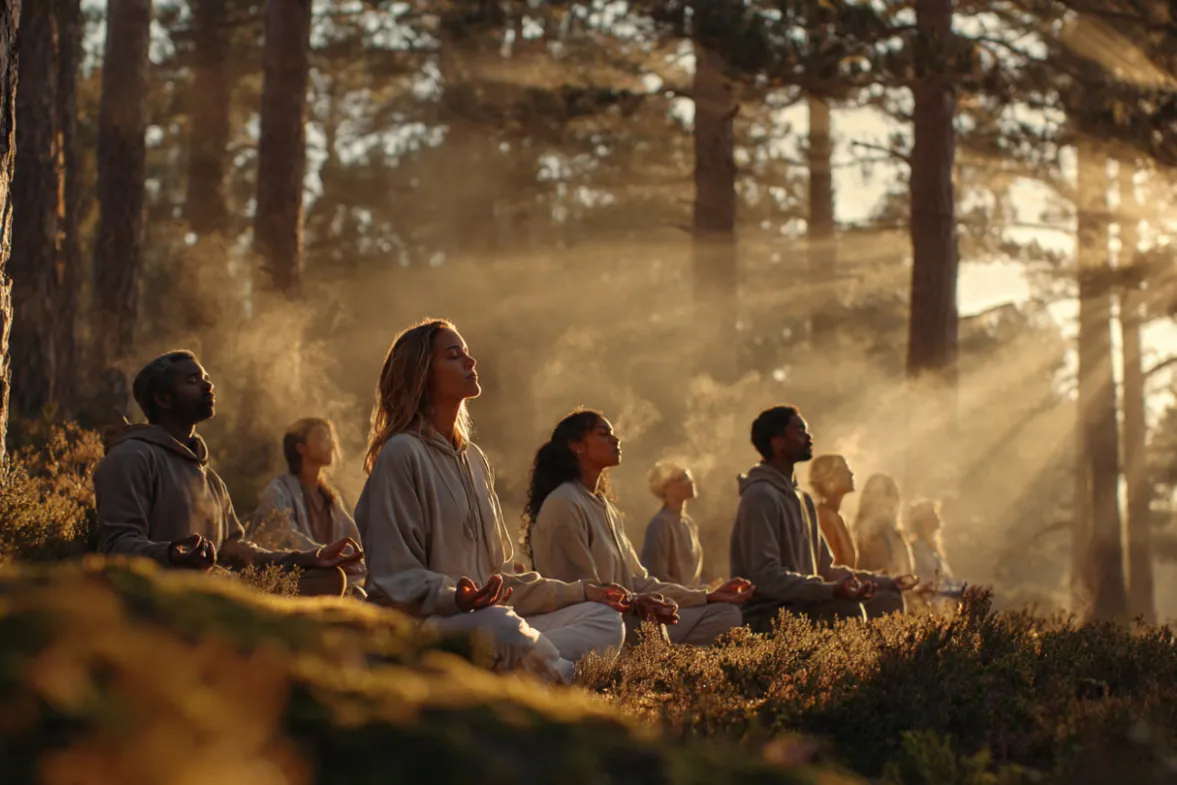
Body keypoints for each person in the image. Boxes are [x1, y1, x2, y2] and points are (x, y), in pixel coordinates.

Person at [353, 319, 628, 684]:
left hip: (489, 618)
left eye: (467, 353)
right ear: (422, 374)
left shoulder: (475, 460)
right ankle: (562, 679)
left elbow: (502, 578)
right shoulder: (402, 453)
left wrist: (581, 591)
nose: (471, 362)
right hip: (422, 628)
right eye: (454, 356)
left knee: (602, 617)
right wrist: (457, 599)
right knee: (500, 627)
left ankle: (521, 663)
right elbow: (393, 578)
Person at [93, 351, 364, 596]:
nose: (208, 385)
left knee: (328, 578)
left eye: (206, 378)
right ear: (163, 398)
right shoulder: (133, 456)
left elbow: (235, 550)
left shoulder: (210, 479)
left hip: (220, 588)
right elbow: (117, 546)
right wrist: (171, 554)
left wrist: (311, 557)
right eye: (192, 380)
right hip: (165, 594)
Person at [523, 410, 753, 647]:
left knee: (725, 612)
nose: (615, 439)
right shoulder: (564, 503)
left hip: (629, 617)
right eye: (603, 434)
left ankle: (673, 666)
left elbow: (640, 582)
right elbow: (582, 593)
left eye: (613, 433)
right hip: (599, 625)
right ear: (577, 445)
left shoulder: (606, 507)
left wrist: (707, 595)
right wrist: (638, 603)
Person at [729, 406, 916, 632]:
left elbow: (825, 569)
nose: (808, 437)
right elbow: (766, 577)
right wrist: (832, 591)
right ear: (777, 443)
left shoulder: (803, 500)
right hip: (769, 614)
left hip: (804, 604)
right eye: (799, 431)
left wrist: (886, 582)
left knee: (887, 599)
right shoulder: (759, 497)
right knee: (848, 609)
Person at [252, 417, 366, 593]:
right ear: (301, 448)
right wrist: (324, 555)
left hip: (334, 576)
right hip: (295, 580)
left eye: (330, 437)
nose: (331, 444)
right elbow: (284, 538)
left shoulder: (331, 498)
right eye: (322, 437)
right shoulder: (277, 491)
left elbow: (355, 538)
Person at [640, 460, 705, 587]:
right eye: (681, 479)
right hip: (673, 601)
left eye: (688, 476)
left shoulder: (689, 524)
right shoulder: (660, 524)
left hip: (693, 598)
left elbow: (693, 577)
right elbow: (656, 575)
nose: (690, 481)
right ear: (665, 488)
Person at [854, 473, 916, 578]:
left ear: (891, 499)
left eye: (878, 493)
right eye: (868, 493)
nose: (872, 499)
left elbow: (905, 576)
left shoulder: (896, 536)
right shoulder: (863, 534)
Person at [905, 499, 964, 606]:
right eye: (933, 513)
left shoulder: (935, 550)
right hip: (929, 607)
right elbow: (919, 582)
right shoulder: (914, 550)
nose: (938, 517)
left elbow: (947, 581)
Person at [808, 454, 858, 568]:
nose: (850, 474)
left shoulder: (836, 516)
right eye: (843, 470)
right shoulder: (825, 518)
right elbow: (830, 569)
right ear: (828, 479)